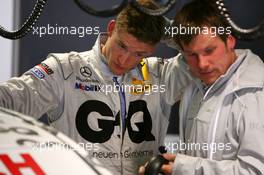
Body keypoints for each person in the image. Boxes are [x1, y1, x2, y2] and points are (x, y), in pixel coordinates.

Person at [0, 0, 190, 174]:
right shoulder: (64, 69)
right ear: (111, 28)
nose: (124, 60)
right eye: (122, 46)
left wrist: (169, 30)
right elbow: (8, 99)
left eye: (139, 54)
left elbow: (209, 53)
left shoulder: (161, 75)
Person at [139, 0, 264, 174]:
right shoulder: (194, 81)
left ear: (230, 40)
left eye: (209, 50)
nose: (202, 64)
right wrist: (174, 166)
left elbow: (255, 171)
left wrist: (184, 168)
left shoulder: (257, 93)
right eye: (192, 54)